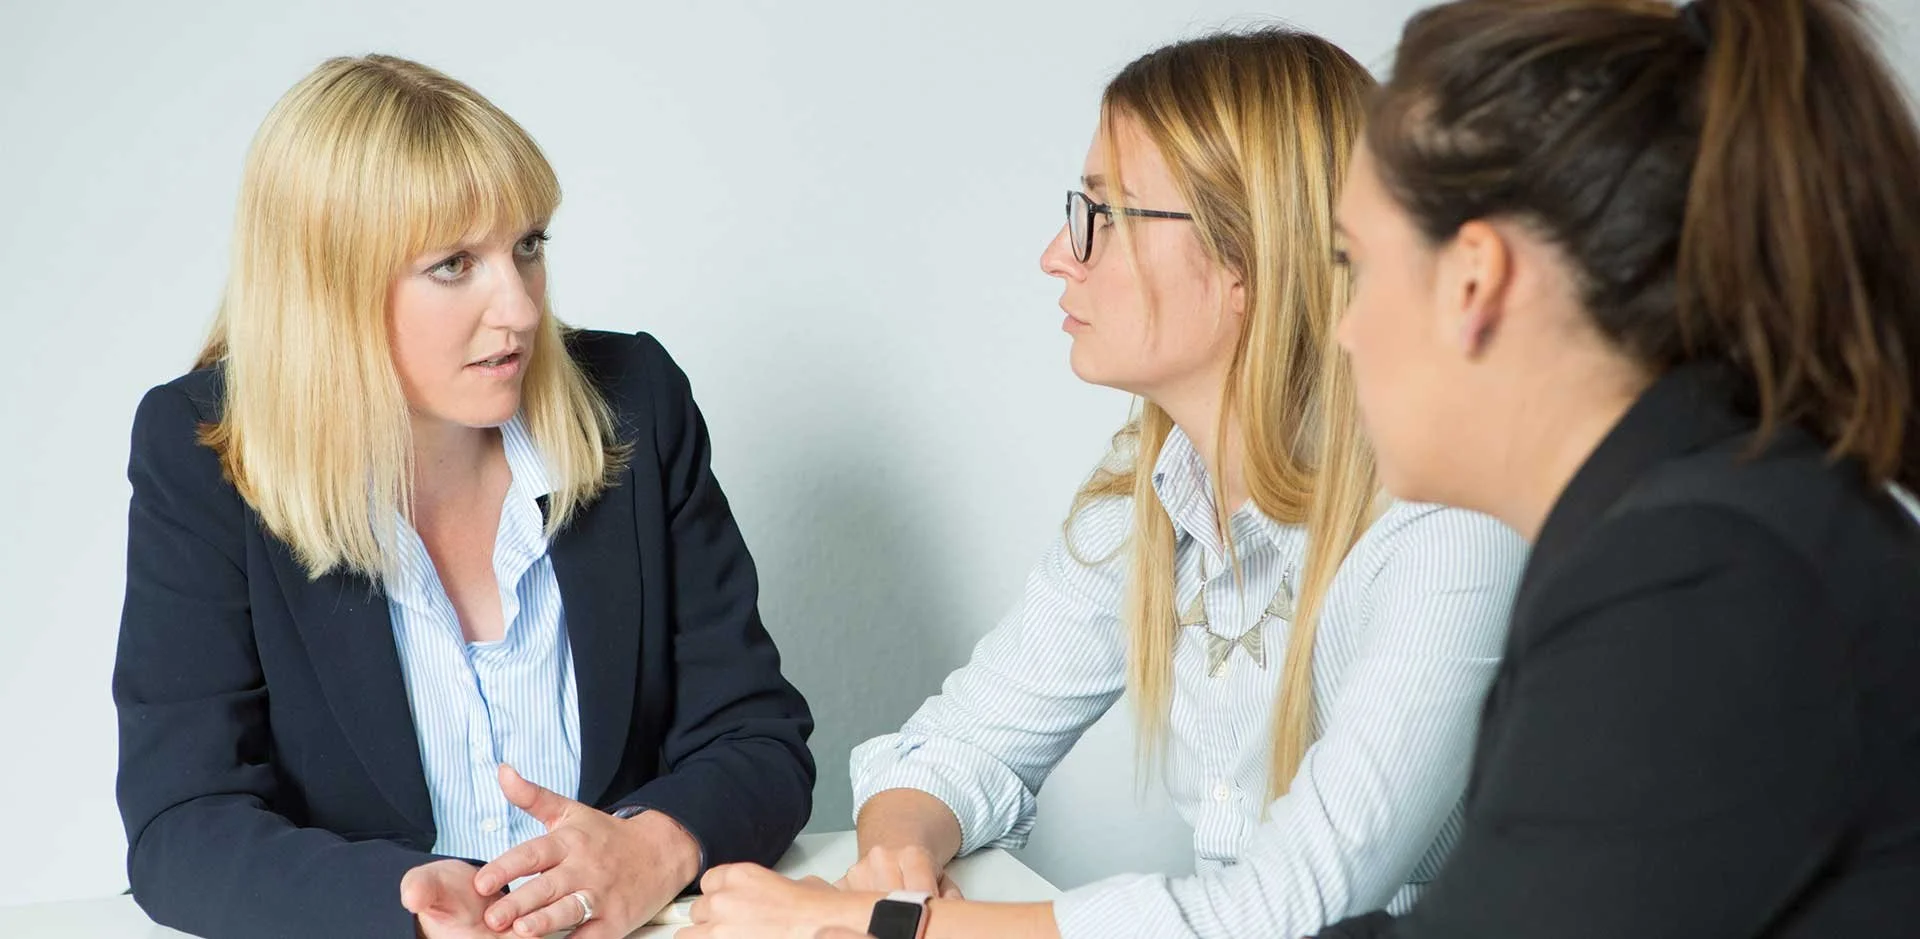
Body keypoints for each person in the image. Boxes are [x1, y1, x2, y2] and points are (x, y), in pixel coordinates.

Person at [684, 27, 1526, 939]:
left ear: (1249, 257)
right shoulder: (1153, 486)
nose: (1058, 253)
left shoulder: (1445, 528)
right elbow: (960, 744)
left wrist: (889, 928)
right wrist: (898, 861)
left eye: (1105, 214)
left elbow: (1285, 911)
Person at [113, 54, 815, 939]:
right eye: (453, 264)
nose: (519, 309)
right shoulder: (204, 452)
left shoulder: (636, 401)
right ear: (325, 285)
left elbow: (758, 739)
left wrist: (655, 845)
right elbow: (183, 824)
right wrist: (407, 905)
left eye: (528, 246)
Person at [1315, 0, 1920, 935]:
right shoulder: (1704, 523)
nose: (1345, 332)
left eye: (1354, 264)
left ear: (1474, 279)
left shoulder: (1703, 579)